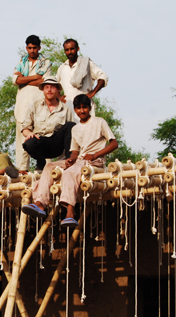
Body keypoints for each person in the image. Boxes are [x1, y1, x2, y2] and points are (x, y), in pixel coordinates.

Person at [22, 94, 118, 227]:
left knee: (69, 173)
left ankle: (70, 212)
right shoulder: (75, 128)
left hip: (95, 162)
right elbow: (74, 151)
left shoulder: (99, 122)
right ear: (75, 110)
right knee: (50, 166)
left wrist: (95, 155)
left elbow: (114, 144)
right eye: (78, 108)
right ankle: (40, 203)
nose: (82, 111)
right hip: (80, 160)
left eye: (84, 107)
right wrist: (70, 160)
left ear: (89, 108)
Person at [12, 35, 51, 171]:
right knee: (22, 138)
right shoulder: (21, 63)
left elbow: (45, 82)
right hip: (22, 106)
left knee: (43, 137)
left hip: (40, 105)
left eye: (35, 48)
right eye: (29, 48)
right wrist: (35, 77)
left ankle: (45, 170)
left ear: (39, 48)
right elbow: (16, 80)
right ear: (26, 48)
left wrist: (24, 79)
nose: (32, 50)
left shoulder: (45, 63)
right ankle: (22, 171)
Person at [22, 76, 75, 171]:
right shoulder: (34, 106)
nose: (49, 90)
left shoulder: (65, 108)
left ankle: (69, 161)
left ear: (58, 89)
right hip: (40, 141)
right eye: (46, 87)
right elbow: (25, 129)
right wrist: (30, 134)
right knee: (29, 143)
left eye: (52, 87)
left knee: (70, 126)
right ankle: (40, 162)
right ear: (43, 89)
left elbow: (72, 133)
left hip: (57, 143)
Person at [56, 39, 108, 117]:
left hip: (85, 107)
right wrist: (59, 96)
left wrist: (93, 93)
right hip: (68, 108)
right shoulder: (62, 68)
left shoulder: (86, 64)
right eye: (67, 50)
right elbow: (54, 85)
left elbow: (103, 76)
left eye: (72, 49)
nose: (69, 52)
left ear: (78, 49)